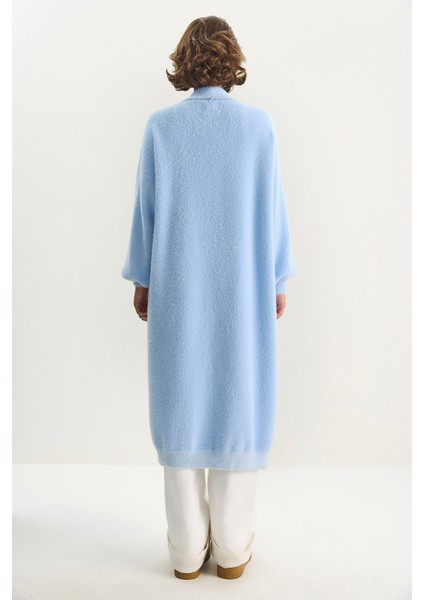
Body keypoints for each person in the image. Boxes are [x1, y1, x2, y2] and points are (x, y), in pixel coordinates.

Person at [121, 15, 299, 580]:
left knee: (181, 405)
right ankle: (232, 549)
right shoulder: (258, 128)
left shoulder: (161, 129)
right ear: (232, 63)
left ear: (183, 62)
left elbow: (146, 214)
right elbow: (273, 212)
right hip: (241, 292)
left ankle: (184, 549)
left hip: (179, 292)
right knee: (236, 402)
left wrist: (143, 280)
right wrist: (276, 280)